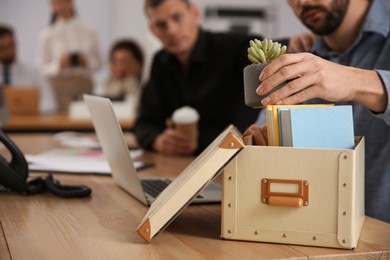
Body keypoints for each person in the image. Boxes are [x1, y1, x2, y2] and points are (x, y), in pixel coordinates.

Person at [244, 0, 390, 223]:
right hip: (315, 231)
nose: (302, 2)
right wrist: (263, 143)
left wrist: (355, 81)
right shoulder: (303, 53)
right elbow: (260, 134)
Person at [135, 0, 312, 156]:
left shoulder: (232, 48)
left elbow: (262, 52)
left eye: (177, 18)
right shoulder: (160, 62)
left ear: (194, 13)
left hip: (236, 159)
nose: (171, 30)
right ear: (153, 30)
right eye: (161, 25)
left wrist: (290, 45)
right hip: (183, 164)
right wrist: (157, 140)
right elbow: (145, 122)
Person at [0, 25, 56, 114]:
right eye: (3, 48)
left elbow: (50, 102)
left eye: (11, 45)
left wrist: (29, 109)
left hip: (26, 123)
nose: (8, 51)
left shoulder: (32, 72)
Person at [104, 39, 144, 114]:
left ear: (138, 64)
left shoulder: (145, 91)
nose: (118, 67)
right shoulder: (109, 86)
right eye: (114, 61)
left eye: (124, 61)